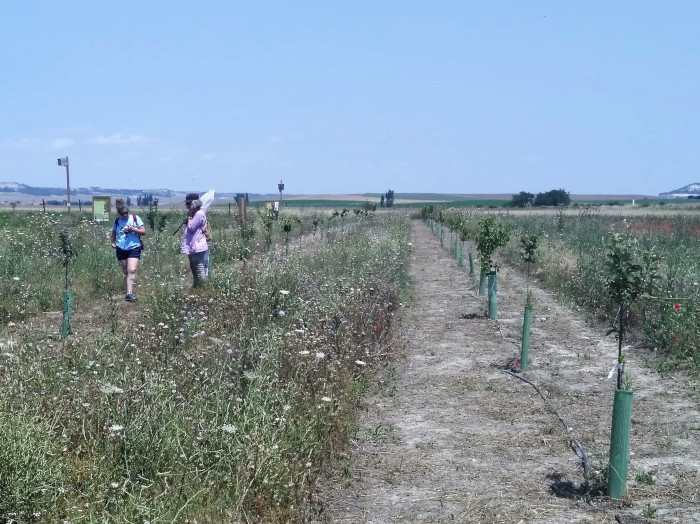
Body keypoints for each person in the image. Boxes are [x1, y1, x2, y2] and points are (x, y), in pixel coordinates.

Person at [110, 198, 146, 302]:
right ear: (119, 213)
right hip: (121, 248)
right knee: (126, 271)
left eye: (126, 213)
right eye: (122, 214)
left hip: (134, 247)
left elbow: (143, 232)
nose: (125, 215)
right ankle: (127, 290)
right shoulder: (117, 221)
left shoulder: (135, 218)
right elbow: (113, 233)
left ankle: (129, 294)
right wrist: (113, 242)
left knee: (132, 270)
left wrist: (133, 229)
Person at [180, 193, 209, 287]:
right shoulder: (195, 214)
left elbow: (192, 227)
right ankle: (197, 286)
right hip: (193, 246)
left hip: (197, 246)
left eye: (188, 204)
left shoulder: (199, 214)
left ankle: (204, 288)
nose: (187, 206)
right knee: (194, 268)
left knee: (199, 268)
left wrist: (189, 217)